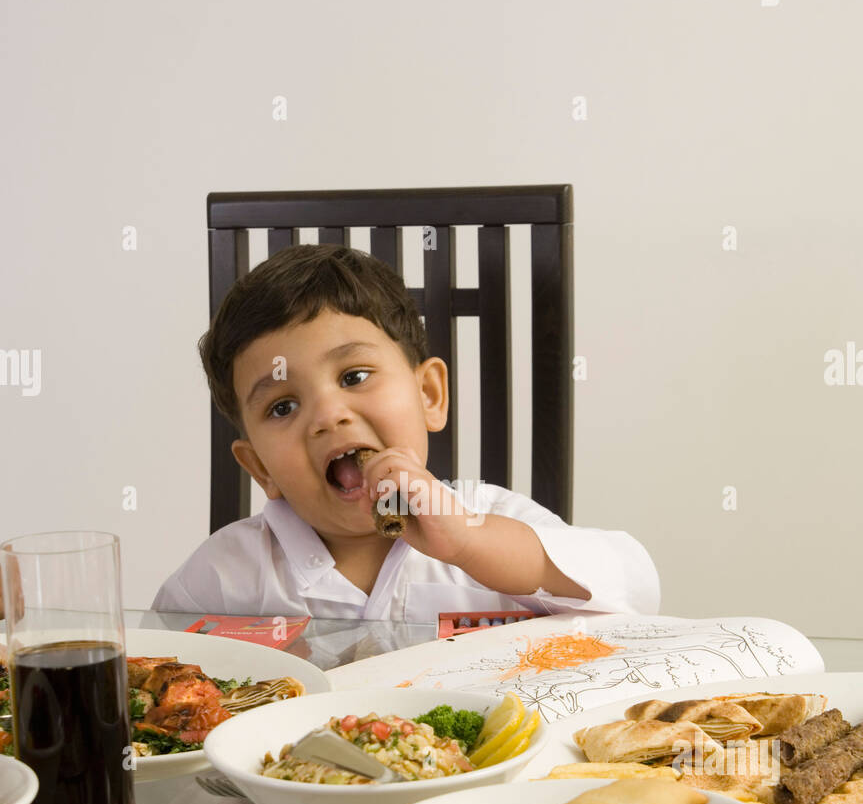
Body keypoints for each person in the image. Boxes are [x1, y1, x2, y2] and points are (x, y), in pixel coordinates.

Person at [152, 245, 660, 622]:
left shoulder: (491, 520)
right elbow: (151, 678)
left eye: (354, 377)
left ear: (429, 395)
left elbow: (635, 589)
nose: (329, 416)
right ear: (261, 467)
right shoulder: (225, 578)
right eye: (283, 406)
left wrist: (470, 543)